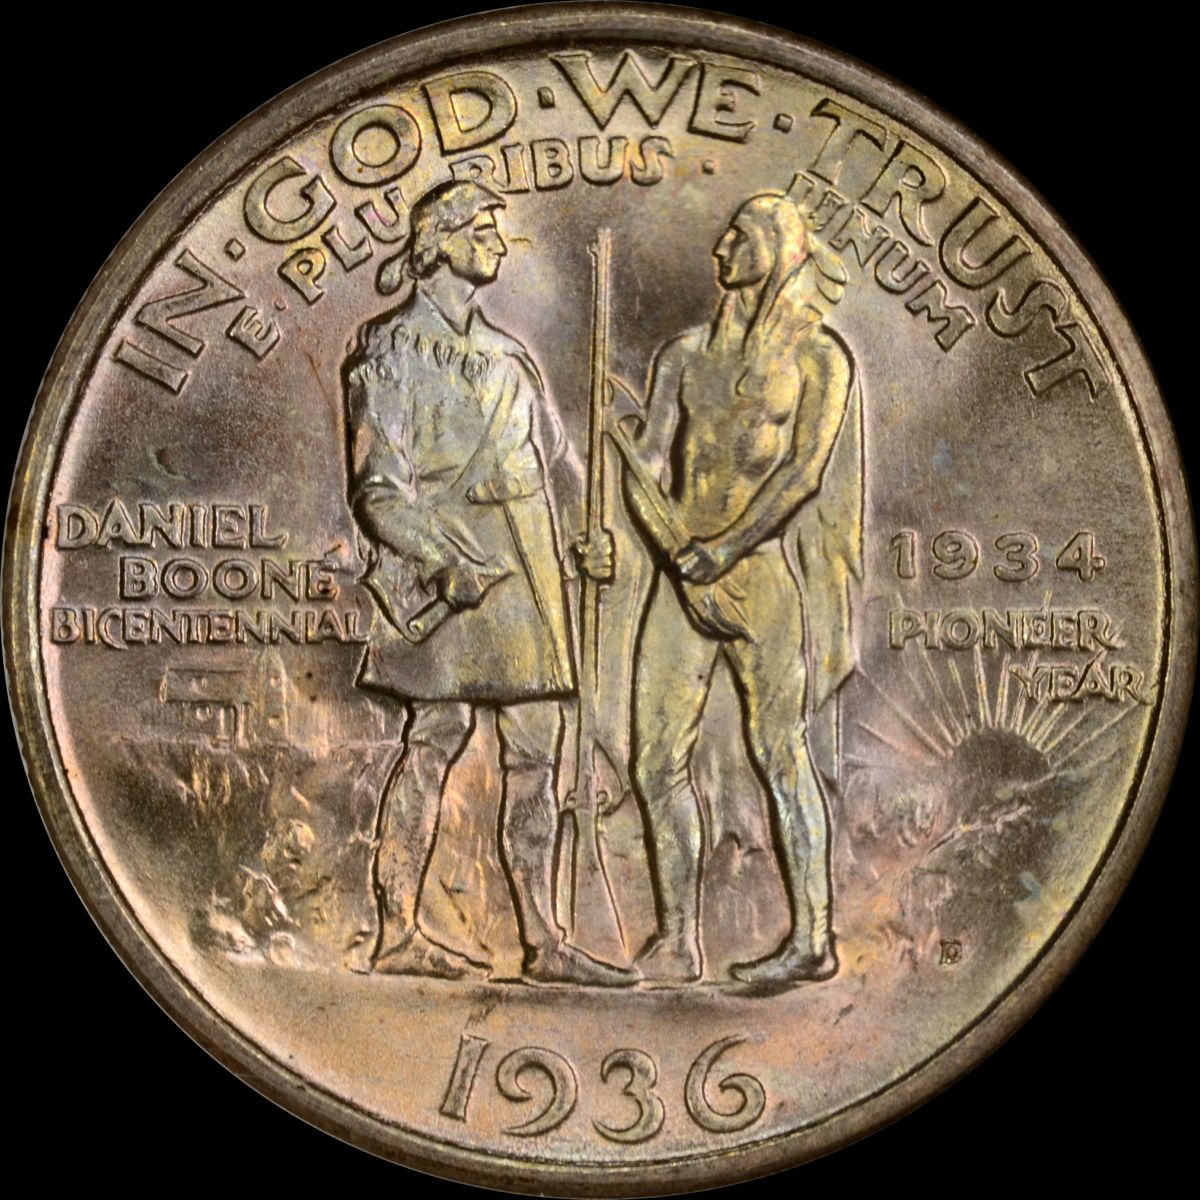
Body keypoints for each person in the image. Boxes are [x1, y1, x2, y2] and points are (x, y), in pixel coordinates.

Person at [343, 179, 631, 986]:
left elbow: (560, 464)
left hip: (530, 571)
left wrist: (590, 538)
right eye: (483, 229)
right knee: (434, 739)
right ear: (439, 242)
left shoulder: (511, 356)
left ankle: (545, 941)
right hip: (453, 570)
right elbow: (378, 492)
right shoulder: (389, 351)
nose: (499, 242)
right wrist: (442, 563)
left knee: (538, 755)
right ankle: (398, 930)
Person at [617, 192, 862, 986]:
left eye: (740, 237)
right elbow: (650, 459)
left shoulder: (821, 358)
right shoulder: (684, 355)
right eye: (724, 236)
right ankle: (677, 940)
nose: (720, 248)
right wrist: (669, 544)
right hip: (679, 574)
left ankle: (812, 939)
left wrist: (723, 550)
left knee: (780, 753)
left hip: (758, 579)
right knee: (655, 763)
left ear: (780, 252)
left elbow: (804, 474)